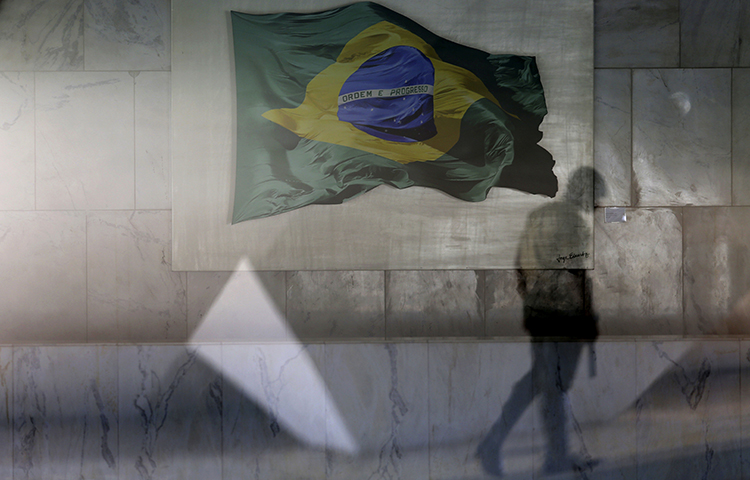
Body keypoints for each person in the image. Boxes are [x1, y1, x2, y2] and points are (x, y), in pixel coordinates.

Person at [477, 167, 601, 476]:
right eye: (595, 196)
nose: (596, 204)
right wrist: (588, 316)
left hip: (539, 313)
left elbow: (518, 263)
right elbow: (578, 274)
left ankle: (504, 444)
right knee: (553, 386)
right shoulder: (574, 223)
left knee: (541, 382)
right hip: (564, 317)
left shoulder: (540, 215)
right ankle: (550, 455)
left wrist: (531, 298)